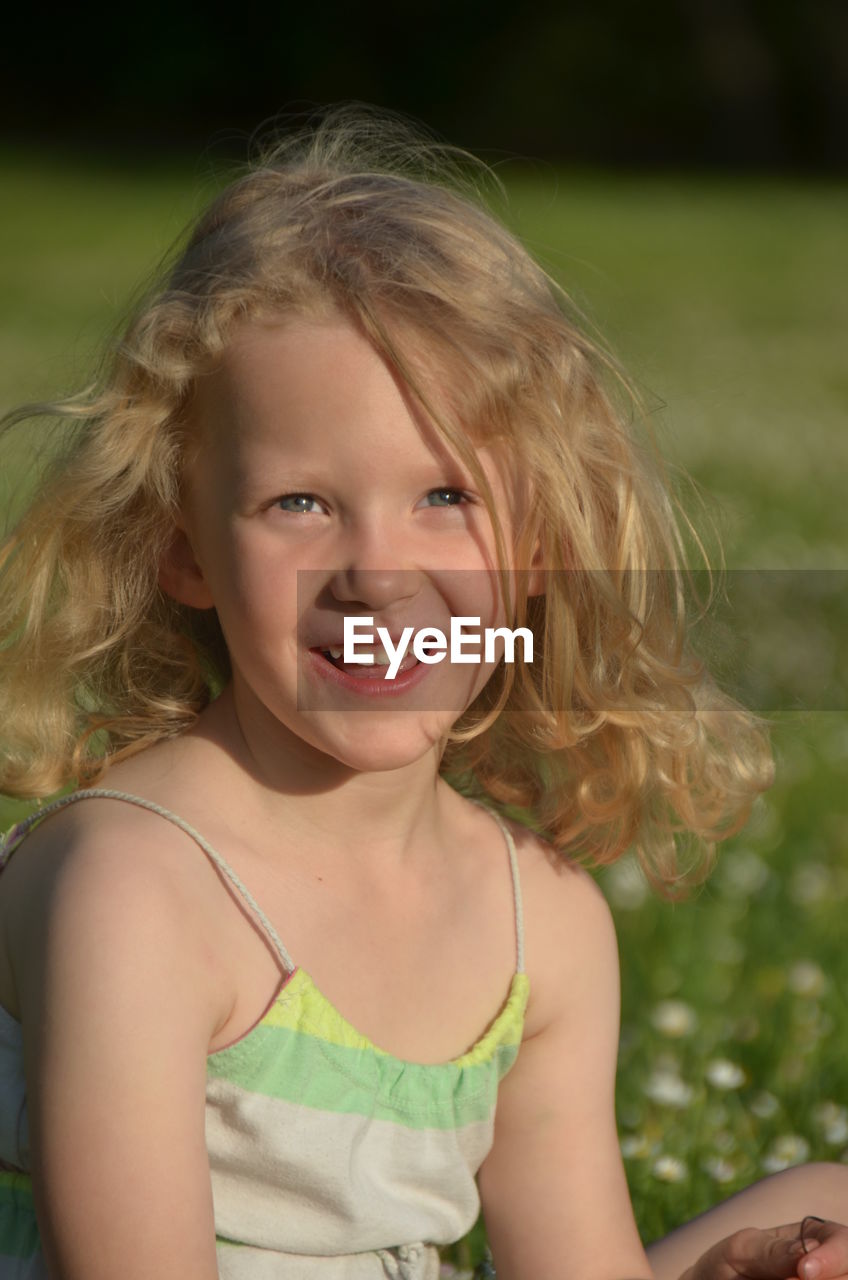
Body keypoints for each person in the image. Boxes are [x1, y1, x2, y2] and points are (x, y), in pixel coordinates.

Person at [0, 108, 845, 1280]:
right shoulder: (136, 884)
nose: (381, 573)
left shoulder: (536, 920)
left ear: (539, 541)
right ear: (180, 548)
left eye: (445, 497)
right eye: (300, 503)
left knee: (830, 1202)